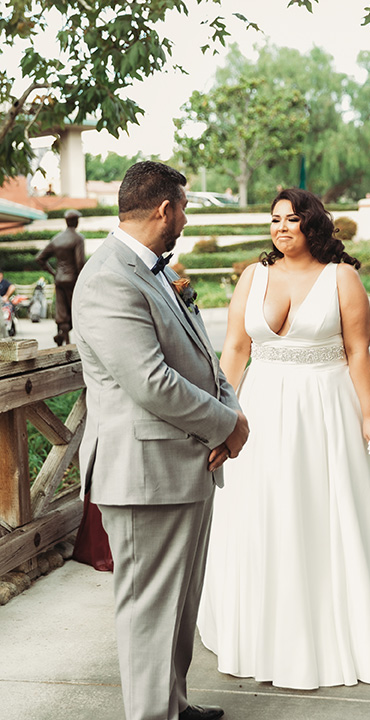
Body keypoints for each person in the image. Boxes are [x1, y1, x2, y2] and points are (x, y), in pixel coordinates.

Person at [197, 187, 370, 690]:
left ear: (314, 225)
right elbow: (236, 350)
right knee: (264, 513)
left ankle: (338, 632)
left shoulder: (342, 278)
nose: (281, 228)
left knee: (325, 515)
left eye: (292, 220)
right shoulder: (253, 276)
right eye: (275, 219)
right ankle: (265, 634)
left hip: (325, 412)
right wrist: (224, 411)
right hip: (260, 411)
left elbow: (358, 352)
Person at [71, 161, 249, 720]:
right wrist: (226, 425)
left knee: (179, 606)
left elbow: (202, 353)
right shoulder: (108, 277)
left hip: (184, 464)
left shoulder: (154, 270)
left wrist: (230, 408)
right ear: (165, 209)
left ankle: (172, 703)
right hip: (144, 473)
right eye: (185, 208)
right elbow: (151, 382)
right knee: (149, 610)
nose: (186, 219)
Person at [36, 208, 85, 346]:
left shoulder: (57, 239)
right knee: (73, 308)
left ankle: (63, 336)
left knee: (61, 309)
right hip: (72, 279)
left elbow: (40, 258)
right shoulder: (78, 238)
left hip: (59, 278)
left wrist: (53, 273)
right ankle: (69, 338)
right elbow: (80, 262)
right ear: (75, 222)